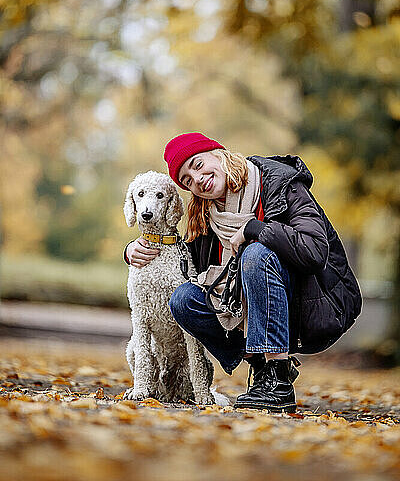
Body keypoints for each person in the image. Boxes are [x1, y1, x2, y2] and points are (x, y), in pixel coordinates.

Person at [124, 132, 362, 412]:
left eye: (198, 165)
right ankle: (263, 368)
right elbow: (183, 259)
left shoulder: (278, 183)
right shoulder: (206, 213)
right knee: (183, 299)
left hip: (313, 302)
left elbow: (313, 251)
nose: (197, 179)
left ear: (218, 154)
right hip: (250, 310)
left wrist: (253, 229)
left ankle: (278, 380)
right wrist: (132, 250)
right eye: (187, 180)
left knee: (256, 253)